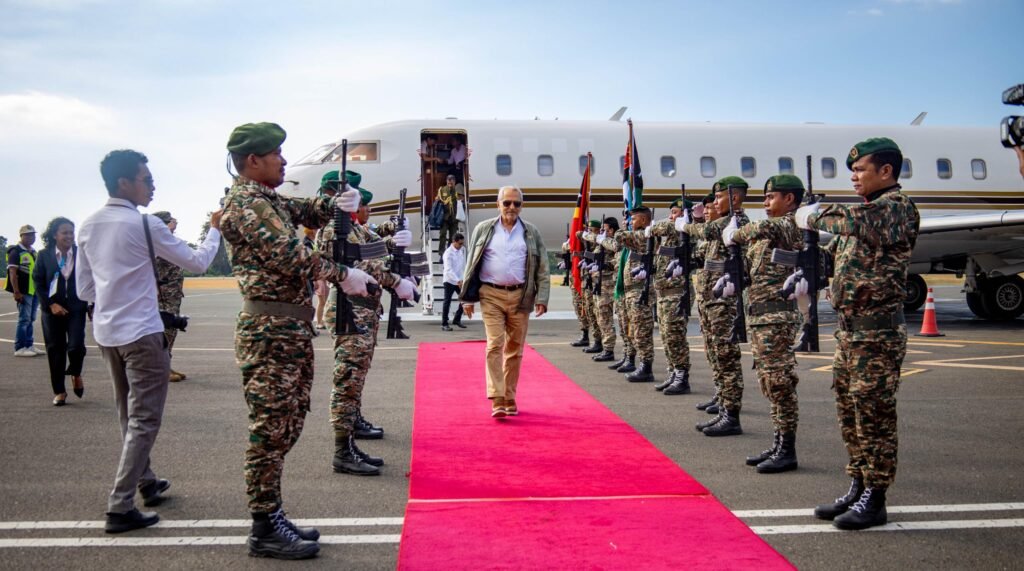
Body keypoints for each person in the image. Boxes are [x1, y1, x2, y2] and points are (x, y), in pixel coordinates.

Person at [219, 123, 375, 560]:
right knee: (269, 431)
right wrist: (343, 274)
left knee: (286, 424)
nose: (284, 161)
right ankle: (263, 525)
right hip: (269, 331)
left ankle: (272, 513)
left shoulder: (267, 199)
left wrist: (335, 204)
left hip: (287, 328)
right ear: (253, 160)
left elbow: (303, 209)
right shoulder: (247, 204)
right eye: (276, 154)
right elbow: (291, 254)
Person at [76, 149, 223, 534]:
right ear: (124, 182)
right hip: (142, 332)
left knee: (127, 413)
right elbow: (198, 262)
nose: (152, 186)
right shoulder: (145, 225)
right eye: (147, 179)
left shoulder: (88, 225)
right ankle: (120, 504)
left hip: (107, 333)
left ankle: (145, 480)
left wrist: (114, 296)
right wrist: (215, 229)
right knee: (145, 418)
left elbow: (84, 289)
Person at [802, 138, 919, 530]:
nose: (853, 177)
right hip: (850, 334)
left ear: (886, 171)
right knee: (850, 412)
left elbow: (848, 221)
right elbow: (831, 254)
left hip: (877, 334)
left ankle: (876, 496)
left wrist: (812, 215)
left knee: (874, 416)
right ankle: (858, 483)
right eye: (851, 171)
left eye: (860, 170)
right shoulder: (865, 215)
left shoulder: (895, 208)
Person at [317, 170, 415, 477]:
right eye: (358, 199)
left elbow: (375, 244)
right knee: (347, 380)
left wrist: (395, 233)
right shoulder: (333, 229)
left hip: (364, 311)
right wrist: (395, 280)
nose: (363, 205)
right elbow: (365, 264)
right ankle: (342, 451)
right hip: (349, 311)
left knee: (356, 378)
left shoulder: (355, 229)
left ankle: (351, 433)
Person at [723, 175, 805, 473]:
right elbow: (751, 272)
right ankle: (778, 442)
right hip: (760, 319)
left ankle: (787, 449)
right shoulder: (764, 239)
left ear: (790, 199)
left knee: (780, 383)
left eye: (771, 197)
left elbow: (764, 227)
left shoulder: (790, 225)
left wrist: (735, 233)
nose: (766, 203)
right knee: (769, 383)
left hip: (778, 318)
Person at [461, 185, 549, 418]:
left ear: (522, 206)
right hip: (491, 294)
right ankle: (497, 397)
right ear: (498, 204)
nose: (511, 207)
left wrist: (542, 297)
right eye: (507, 202)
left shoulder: (531, 232)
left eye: (516, 203)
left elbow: (542, 267)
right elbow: (471, 263)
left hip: (521, 295)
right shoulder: (483, 229)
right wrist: (467, 298)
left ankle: (509, 396)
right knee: (494, 344)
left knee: (515, 349)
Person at [680, 177, 750, 437]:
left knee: (726, 357)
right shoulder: (722, 224)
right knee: (715, 353)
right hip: (711, 301)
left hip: (724, 303)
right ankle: (722, 402)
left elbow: (706, 232)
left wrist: (688, 225)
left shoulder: (735, 222)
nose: (714, 202)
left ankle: (731, 414)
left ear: (734, 198)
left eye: (719, 197)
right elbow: (703, 255)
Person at [32, 217, 88, 406]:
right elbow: (38, 283)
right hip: (52, 310)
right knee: (55, 350)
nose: (69, 236)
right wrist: (50, 305)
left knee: (76, 346)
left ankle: (75, 372)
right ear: (54, 235)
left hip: (76, 307)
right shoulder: (44, 255)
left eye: (72, 232)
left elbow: (90, 279)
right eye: (65, 232)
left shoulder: (81, 254)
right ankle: (59, 391)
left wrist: (92, 304)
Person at [648, 199, 693, 395]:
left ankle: (682, 376)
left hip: (677, 292)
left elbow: (664, 226)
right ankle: (673, 372)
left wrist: (653, 226)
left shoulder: (684, 229)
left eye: (675, 212)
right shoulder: (669, 236)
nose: (671, 216)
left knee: (675, 336)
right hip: (664, 293)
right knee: (666, 336)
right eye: (671, 212)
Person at [611, 206, 657, 383]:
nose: (630, 222)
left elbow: (619, 237)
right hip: (631, 291)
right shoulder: (637, 237)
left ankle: (646, 367)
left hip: (640, 291)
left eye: (634, 219)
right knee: (634, 330)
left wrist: (623, 227)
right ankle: (639, 362)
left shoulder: (644, 236)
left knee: (641, 331)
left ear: (644, 220)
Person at [151, 212, 187, 382]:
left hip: (173, 294)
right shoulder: (156, 243)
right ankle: (160, 368)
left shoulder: (169, 241)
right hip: (163, 294)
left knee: (171, 330)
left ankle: (166, 365)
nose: (174, 223)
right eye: (170, 221)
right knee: (166, 330)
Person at [582, 217, 620, 363]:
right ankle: (603, 346)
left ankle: (609, 349)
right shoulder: (602, 242)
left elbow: (615, 256)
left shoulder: (613, 241)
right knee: (599, 316)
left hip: (607, 284)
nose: (603, 232)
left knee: (605, 317)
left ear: (612, 230)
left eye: (606, 229)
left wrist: (604, 265)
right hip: (598, 283)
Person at [7, 224, 42, 357]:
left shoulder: (33, 252)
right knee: (24, 319)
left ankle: (29, 345)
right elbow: (13, 273)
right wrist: (16, 292)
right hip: (23, 291)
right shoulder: (15, 251)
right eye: (27, 235)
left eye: (33, 235)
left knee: (31, 319)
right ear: (21, 236)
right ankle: (20, 347)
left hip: (34, 291)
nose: (31, 237)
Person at [441, 232, 466, 331]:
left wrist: (462, 279)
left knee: (465, 299)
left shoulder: (461, 250)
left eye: (462, 243)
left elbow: (461, 267)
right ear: (454, 242)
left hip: (459, 279)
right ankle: (444, 324)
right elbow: (448, 270)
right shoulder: (448, 253)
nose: (461, 245)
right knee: (447, 301)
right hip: (449, 280)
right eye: (460, 243)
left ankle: (457, 319)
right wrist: (458, 280)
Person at [435, 174, 460, 257]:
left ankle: (449, 253)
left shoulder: (457, 190)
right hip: (445, 217)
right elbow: (438, 199)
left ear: (454, 181)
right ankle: (441, 254)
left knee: (453, 237)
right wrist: (437, 199)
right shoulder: (442, 190)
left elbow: (461, 200)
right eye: (448, 180)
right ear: (446, 181)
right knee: (442, 234)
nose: (450, 182)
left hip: (454, 217)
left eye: (451, 180)